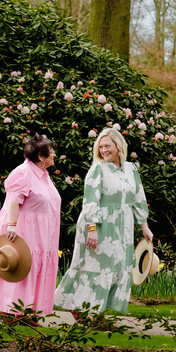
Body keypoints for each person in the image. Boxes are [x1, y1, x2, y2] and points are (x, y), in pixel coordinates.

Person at [54, 127, 154, 316]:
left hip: (123, 228)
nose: (104, 151)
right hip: (100, 226)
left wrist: (144, 226)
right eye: (101, 147)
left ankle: (100, 314)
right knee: (97, 268)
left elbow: (138, 198)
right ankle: (82, 310)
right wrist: (92, 228)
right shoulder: (98, 168)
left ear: (118, 145)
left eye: (107, 146)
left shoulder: (131, 169)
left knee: (118, 268)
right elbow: (91, 200)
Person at [0, 134, 61, 317]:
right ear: (41, 157)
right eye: (51, 152)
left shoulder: (43, 174)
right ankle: (11, 311)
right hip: (24, 229)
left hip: (43, 233)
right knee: (21, 266)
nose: (54, 155)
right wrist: (11, 226)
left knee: (34, 268)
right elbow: (13, 201)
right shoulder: (23, 172)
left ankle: (27, 312)